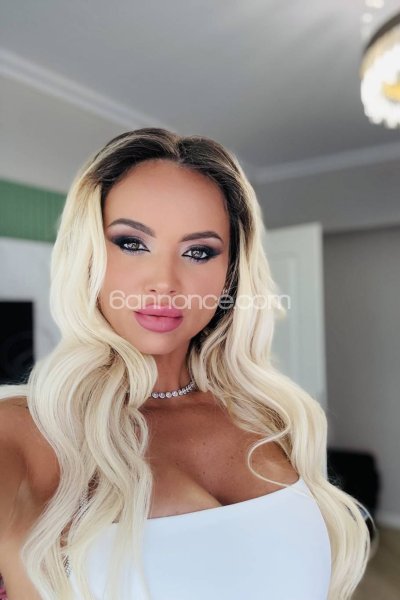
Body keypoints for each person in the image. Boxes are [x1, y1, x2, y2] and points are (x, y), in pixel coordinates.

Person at [0, 128, 373, 600]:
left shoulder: (273, 417)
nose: (165, 282)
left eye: (199, 252)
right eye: (132, 243)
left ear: (230, 274)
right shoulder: (25, 432)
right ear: (88, 255)